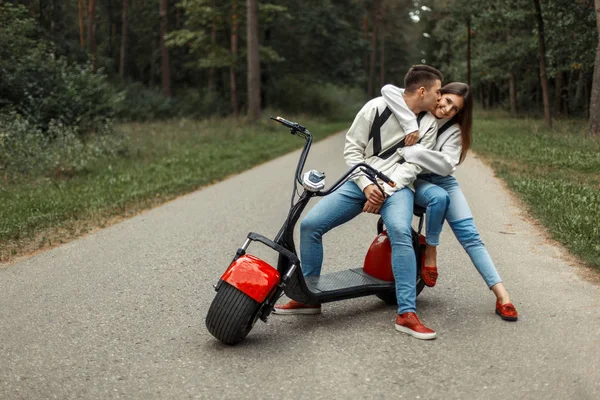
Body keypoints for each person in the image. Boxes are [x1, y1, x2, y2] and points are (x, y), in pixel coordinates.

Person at [274, 65, 444, 340]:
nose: (440, 97)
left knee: (400, 232)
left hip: (396, 188)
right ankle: (309, 299)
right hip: (361, 183)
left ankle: (406, 313)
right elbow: (352, 150)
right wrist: (367, 185)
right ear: (422, 91)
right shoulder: (375, 108)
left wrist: (384, 190)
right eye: (437, 91)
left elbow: (413, 165)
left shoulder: (429, 124)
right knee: (310, 225)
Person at [380, 82, 519, 321]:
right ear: (438, 94)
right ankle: (430, 250)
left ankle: (502, 295)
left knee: (470, 236)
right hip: (417, 180)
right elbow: (388, 90)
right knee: (434, 201)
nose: (445, 109)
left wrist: (409, 151)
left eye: (453, 108)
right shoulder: (419, 111)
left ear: (459, 113)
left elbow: (446, 165)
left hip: (443, 181)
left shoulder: (454, 131)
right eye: (445, 100)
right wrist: (411, 124)